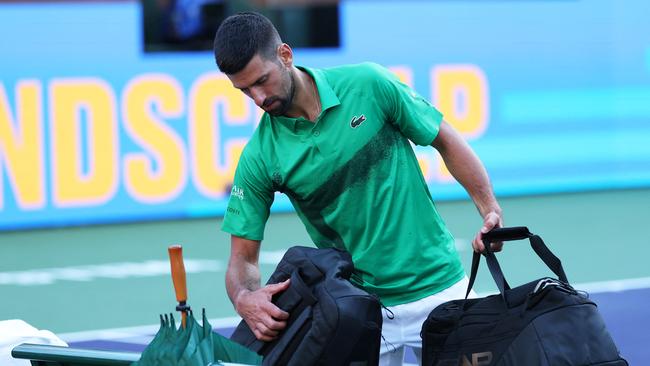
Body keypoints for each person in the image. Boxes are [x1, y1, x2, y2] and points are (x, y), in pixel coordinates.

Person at [213, 12, 503, 366]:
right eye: (244, 90)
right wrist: (244, 296)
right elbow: (242, 260)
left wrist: (489, 209)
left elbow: (445, 139)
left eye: (262, 81)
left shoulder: (368, 83)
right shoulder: (261, 156)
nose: (258, 98)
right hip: (359, 310)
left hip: (441, 287)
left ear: (285, 55)